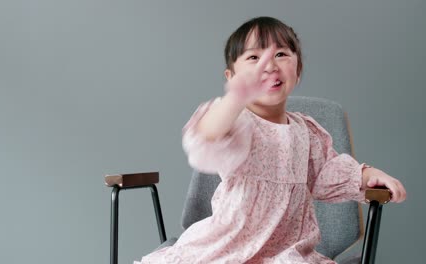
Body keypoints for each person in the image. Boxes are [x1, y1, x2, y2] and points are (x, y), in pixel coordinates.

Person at [134, 16, 407, 264]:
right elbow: (208, 138)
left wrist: (368, 174)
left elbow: (327, 172)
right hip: (229, 246)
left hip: (287, 251)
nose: (270, 65)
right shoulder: (239, 123)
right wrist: (234, 100)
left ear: (298, 70)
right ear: (232, 76)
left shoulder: (306, 131)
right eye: (253, 58)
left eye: (280, 54)